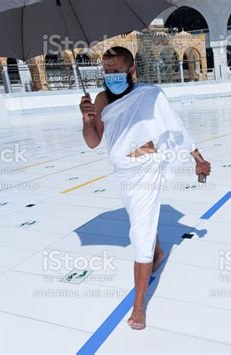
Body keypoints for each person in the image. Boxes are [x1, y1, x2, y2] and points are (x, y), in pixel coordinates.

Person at [79, 47, 211, 330]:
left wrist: (198, 159)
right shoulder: (101, 99)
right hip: (122, 174)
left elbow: (177, 128)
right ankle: (159, 252)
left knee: (139, 231)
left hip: (147, 169)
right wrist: (87, 119)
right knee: (141, 220)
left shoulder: (150, 95)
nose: (110, 76)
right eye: (106, 71)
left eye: (115, 71)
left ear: (131, 70)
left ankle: (139, 305)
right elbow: (93, 142)